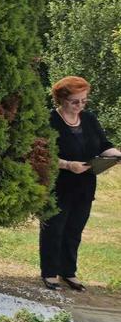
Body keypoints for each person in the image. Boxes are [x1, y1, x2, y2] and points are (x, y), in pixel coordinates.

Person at [40, 76, 121, 291]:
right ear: (61, 99)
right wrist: (67, 165)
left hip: (85, 186)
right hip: (58, 185)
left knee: (75, 230)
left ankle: (68, 272)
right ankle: (49, 273)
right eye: (75, 101)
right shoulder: (49, 121)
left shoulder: (90, 119)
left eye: (84, 101)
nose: (80, 106)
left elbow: (104, 145)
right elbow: (41, 155)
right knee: (54, 230)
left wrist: (116, 155)